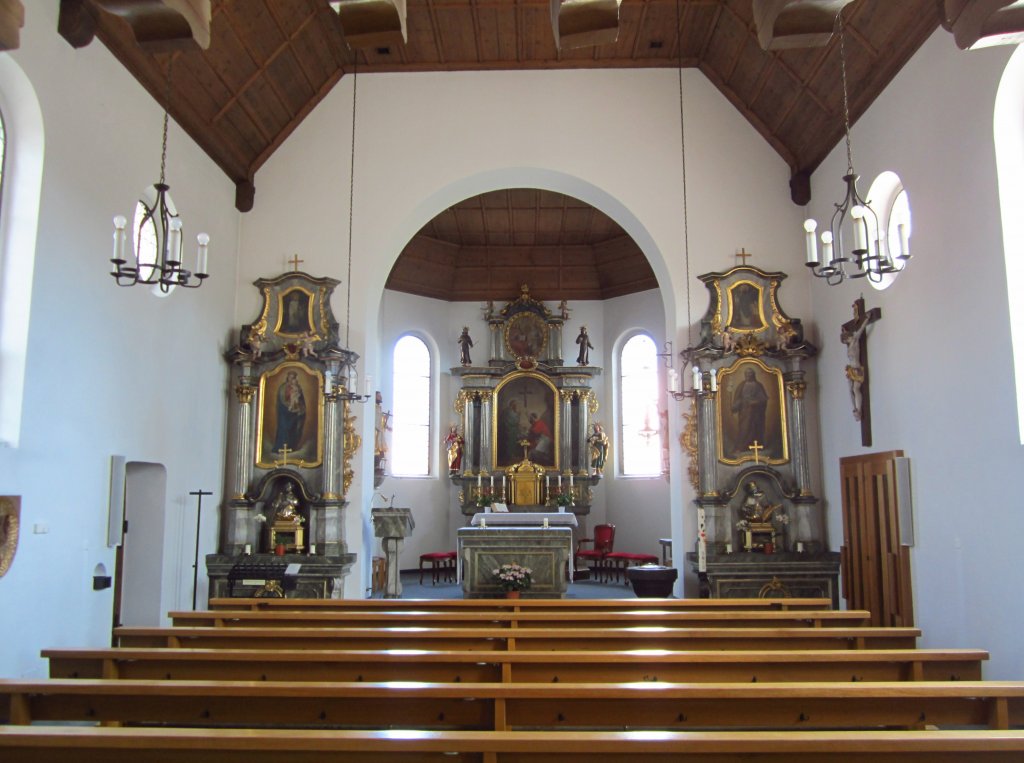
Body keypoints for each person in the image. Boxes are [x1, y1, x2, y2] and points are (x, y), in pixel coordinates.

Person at [731, 367, 768, 457]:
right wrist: (736, 405)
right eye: (746, 374)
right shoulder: (741, 385)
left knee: (755, 428)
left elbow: (763, 399)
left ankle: (757, 446)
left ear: (753, 375)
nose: (748, 376)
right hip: (745, 411)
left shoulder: (758, 385)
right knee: (744, 428)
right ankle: (741, 447)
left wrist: (756, 402)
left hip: (756, 412)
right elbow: (738, 398)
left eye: (750, 374)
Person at [273, 371, 306, 453]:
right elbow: (282, 400)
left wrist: (299, 407)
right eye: (291, 378)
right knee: (284, 429)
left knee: (294, 429)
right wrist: (290, 405)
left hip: (295, 413)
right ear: (288, 378)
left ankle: (292, 446)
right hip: (284, 413)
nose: (293, 379)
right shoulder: (283, 387)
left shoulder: (298, 387)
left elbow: (301, 400)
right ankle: (280, 447)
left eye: (294, 378)